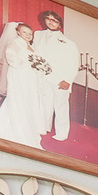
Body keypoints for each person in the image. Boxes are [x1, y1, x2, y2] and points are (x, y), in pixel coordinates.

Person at [0, 23, 49, 149]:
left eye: (30, 33)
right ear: (18, 32)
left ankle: (27, 126)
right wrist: (28, 65)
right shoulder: (14, 43)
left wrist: (39, 68)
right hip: (20, 77)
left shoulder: (31, 46)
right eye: (24, 32)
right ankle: (18, 129)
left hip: (31, 79)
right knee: (19, 100)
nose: (28, 35)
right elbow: (11, 59)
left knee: (28, 102)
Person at [32, 11, 79, 143]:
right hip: (43, 76)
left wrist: (68, 80)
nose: (51, 22)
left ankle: (62, 133)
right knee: (45, 103)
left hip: (60, 80)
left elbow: (73, 64)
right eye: (48, 19)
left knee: (61, 106)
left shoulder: (69, 43)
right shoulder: (38, 34)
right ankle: (43, 127)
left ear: (60, 24)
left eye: (55, 20)